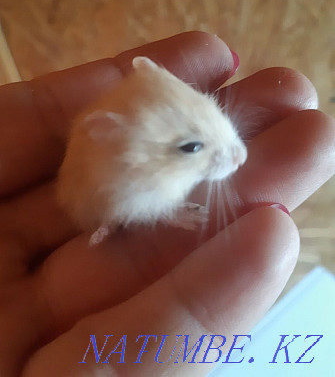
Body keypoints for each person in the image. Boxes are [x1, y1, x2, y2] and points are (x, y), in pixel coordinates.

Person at [0, 32, 334, 376]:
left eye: (211, 109)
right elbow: (137, 201)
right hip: (100, 196)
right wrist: (162, 211)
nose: (238, 154)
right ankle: (110, 221)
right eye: (190, 147)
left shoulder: (154, 123)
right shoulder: (118, 171)